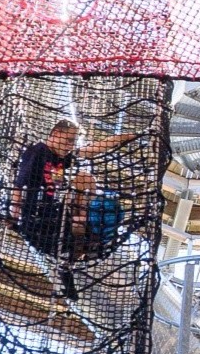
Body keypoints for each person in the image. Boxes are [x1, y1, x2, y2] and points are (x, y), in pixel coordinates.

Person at [11, 118, 138, 298]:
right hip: (38, 221)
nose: (71, 145)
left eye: (74, 141)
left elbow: (92, 150)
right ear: (55, 134)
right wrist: (14, 217)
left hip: (57, 216)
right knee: (82, 222)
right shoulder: (38, 151)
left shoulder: (63, 159)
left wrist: (124, 138)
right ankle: (70, 258)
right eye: (69, 140)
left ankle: (73, 255)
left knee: (85, 179)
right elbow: (19, 185)